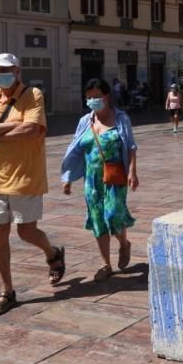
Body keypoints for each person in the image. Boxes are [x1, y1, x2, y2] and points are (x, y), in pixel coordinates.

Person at [0, 53, 65, 317]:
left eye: (4, 69)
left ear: (16, 69)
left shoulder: (32, 94)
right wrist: (13, 125)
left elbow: (32, 129)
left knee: (26, 232)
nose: (0, 74)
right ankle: (7, 291)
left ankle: (53, 252)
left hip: (26, 176)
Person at [60, 79, 139, 282]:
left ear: (107, 97)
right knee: (97, 220)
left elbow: (130, 146)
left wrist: (132, 172)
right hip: (92, 180)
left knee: (113, 215)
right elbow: (76, 149)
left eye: (96, 96)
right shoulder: (85, 121)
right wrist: (68, 177)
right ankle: (106, 264)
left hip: (115, 176)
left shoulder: (121, 118)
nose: (93, 100)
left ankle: (124, 243)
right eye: (89, 97)